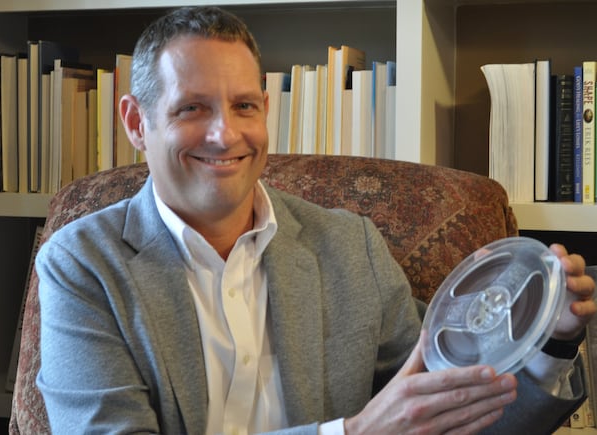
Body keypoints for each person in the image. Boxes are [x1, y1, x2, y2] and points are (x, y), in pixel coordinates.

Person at [35, 6, 596, 435]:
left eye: (244, 106)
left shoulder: (351, 246)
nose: (225, 135)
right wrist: (352, 433)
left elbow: (456, 413)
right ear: (136, 121)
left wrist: (551, 340)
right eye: (192, 108)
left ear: (265, 111)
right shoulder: (82, 263)